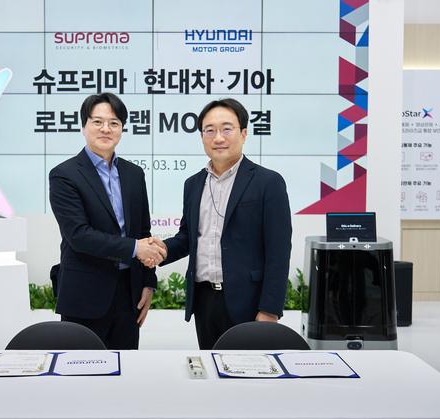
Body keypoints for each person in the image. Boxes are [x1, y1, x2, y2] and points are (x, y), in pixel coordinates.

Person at [147, 98, 292, 349]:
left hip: (249, 302)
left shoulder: (268, 182)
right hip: (204, 301)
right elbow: (188, 237)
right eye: (209, 130)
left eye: (227, 129)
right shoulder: (193, 184)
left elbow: (279, 251)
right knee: (211, 368)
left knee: (249, 371)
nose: (218, 138)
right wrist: (163, 250)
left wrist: (269, 309)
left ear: (243, 133)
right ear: (202, 136)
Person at [49, 93, 166, 349]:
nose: (106, 129)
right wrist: (134, 248)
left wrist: (148, 283)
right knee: (81, 368)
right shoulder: (64, 175)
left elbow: (143, 232)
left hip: (129, 296)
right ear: (84, 126)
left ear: (122, 129)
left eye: (114, 123)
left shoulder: (134, 174)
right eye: (97, 122)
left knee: (126, 368)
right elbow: (79, 236)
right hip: (85, 295)